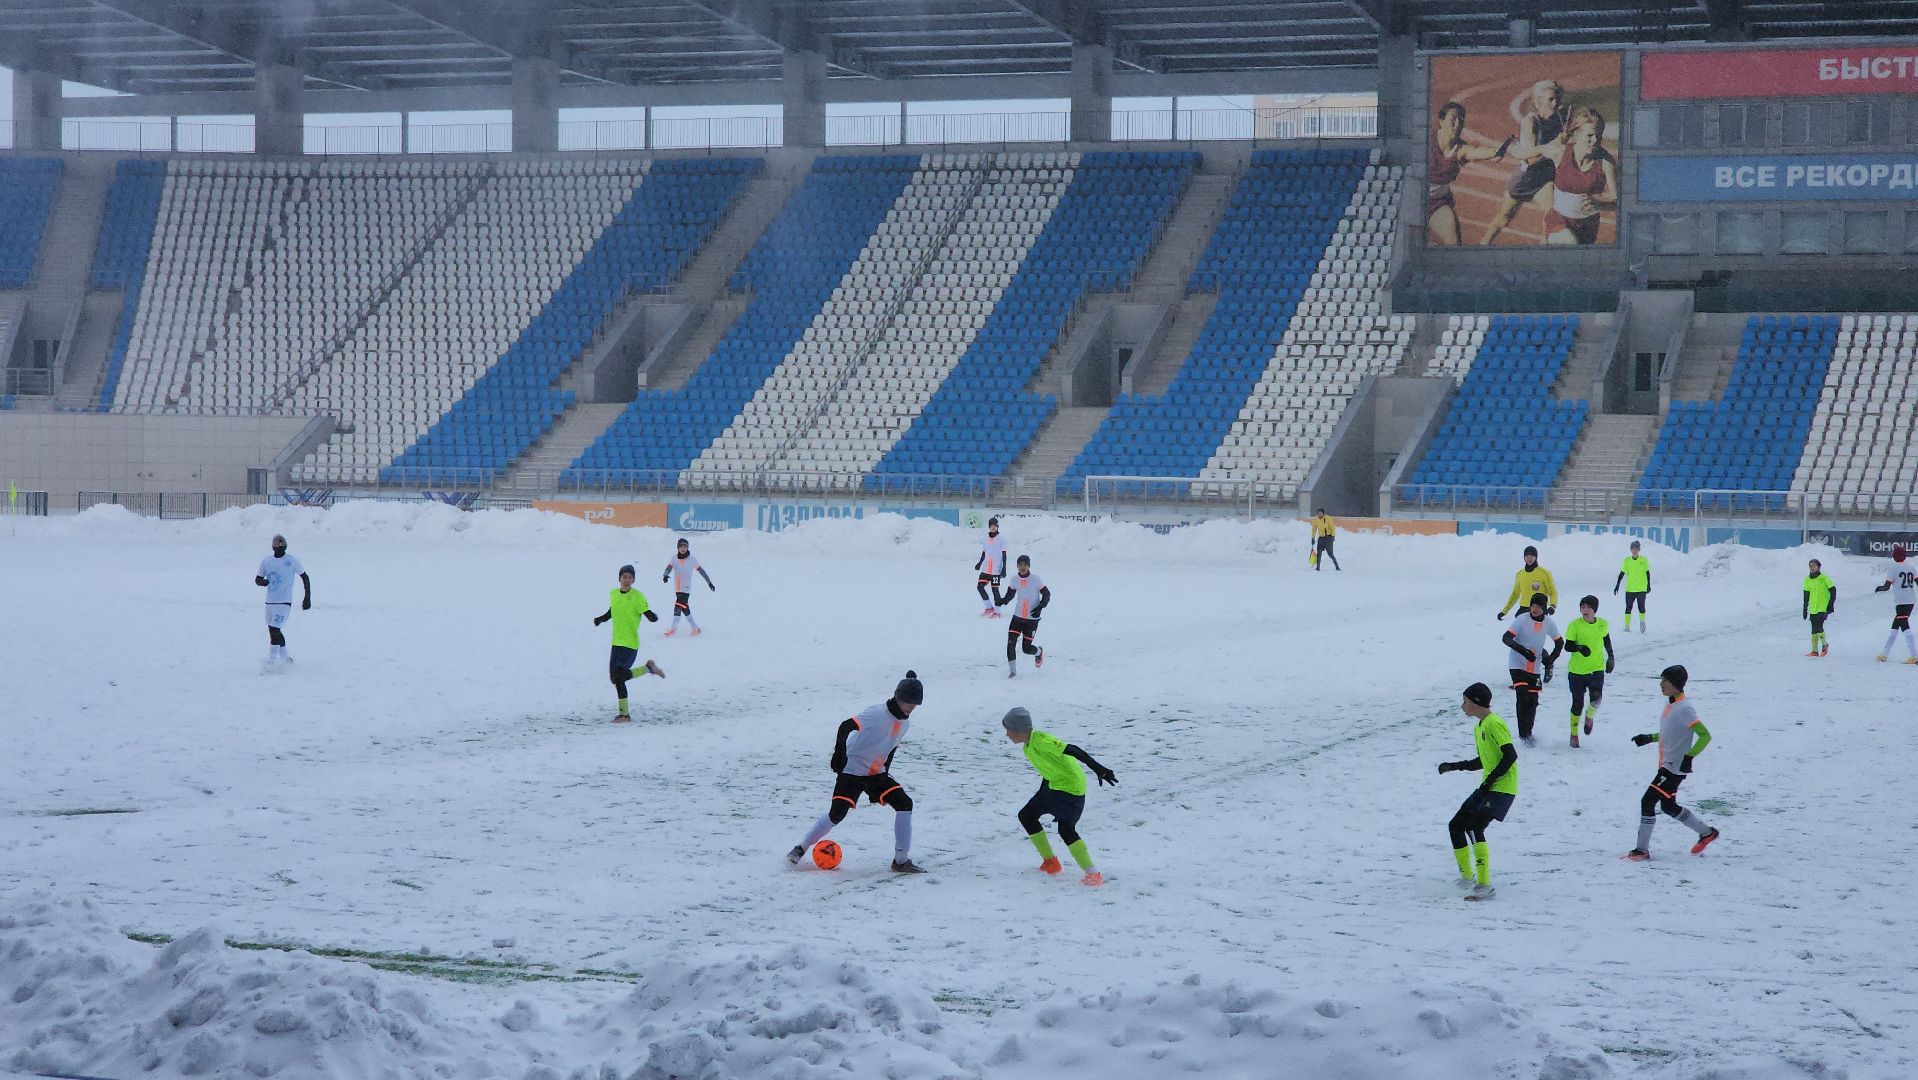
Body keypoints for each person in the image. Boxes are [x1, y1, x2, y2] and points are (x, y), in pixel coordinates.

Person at [788, 671, 926, 874]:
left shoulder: (905, 723)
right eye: (908, 703)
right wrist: (839, 754)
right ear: (897, 697)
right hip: (851, 771)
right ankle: (800, 848)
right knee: (836, 815)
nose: (911, 707)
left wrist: (885, 773)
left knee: (905, 804)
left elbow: (891, 748)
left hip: (876, 774)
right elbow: (845, 726)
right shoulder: (876, 714)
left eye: (915, 704)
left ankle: (900, 861)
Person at [1000, 707, 1117, 887]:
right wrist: (1041, 794)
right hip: (1054, 785)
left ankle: (1093, 875)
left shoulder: (1042, 741)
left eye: (1008, 729)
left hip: (1070, 788)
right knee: (1027, 815)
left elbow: (1073, 750)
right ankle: (1051, 863)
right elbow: (1049, 769)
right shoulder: (1027, 747)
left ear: (1019, 729)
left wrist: (1099, 769)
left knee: (1066, 829)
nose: (1007, 734)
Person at [1623, 665, 1720, 861]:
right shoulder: (1672, 705)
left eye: (1665, 681)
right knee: (1668, 806)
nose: (1661, 684)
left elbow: (1705, 736)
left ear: (1675, 683)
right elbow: (1672, 733)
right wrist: (1649, 737)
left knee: (1648, 801)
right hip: (1668, 764)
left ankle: (1641, 850)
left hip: (1674, 768)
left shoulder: (1685, 708)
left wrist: (1689, 757)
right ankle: (1707, 833)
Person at [1437, 682, 1517, 901]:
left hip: (1502, 788)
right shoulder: (1480, 727)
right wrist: (1455, 766)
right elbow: (1483, 760)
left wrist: (1491, 780)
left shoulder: (1494, 723)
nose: (1462, 706)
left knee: (1475, 826)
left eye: (1465, 701)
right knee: (1456, 825)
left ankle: (1484, 885)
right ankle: (1466, 877)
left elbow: (1510, 755)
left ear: (1476, 703)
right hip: (1488, 787)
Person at [1481, 79, 1570, 246]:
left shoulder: (1560, 116)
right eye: (1551, 99)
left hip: (1546, 176)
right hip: (1527, 177)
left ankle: (1544, 249)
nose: (1555, 103)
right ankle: (1484, 245)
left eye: (1557, 99)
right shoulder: (1531, 122)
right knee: (1504, 219)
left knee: (1552, 214)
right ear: (1538, 102)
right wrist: (1556, 143)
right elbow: (1530, 159)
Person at [1427, 100, 1509, 246]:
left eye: (1461, 120)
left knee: (1454, 243)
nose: (1457, 124)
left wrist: (1494, 152)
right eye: (1453, 119)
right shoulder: (1426, 141)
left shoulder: (1460, 149)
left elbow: (1475, 152)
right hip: (1412, 200)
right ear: (1441, 121)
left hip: (1436, 203)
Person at [592, 564, 664, 722]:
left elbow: (646, 612)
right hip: (616, 642)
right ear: (619, 578)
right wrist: (601, 619)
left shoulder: (638, 596)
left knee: (618, 678)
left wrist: (652, 616)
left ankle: (624, 715)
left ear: (633, 580)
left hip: (630, 644)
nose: (627, 580)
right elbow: (612, 611)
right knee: (615, 678)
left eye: (630, 577)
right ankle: (648, 668)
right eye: (624, 577)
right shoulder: (613, 594)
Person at [1542, 108, 1617, 246]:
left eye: (1599, 135)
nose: (1595, 140)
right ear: (1577, 134)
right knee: (1570, 242)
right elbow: (1532, 154)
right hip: (1559, 221)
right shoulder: (1560, 152)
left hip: (1588, 227)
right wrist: (1514, 150)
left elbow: (1619, 202)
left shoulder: (1606, 162)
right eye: (1590, 135)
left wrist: (1600, 203)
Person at [1501, 592, 1562, 746]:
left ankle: (1529, 734)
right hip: (1517, 664)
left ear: (1544, 608)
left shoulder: (1549, 622)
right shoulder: (1522, 619)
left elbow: (1559, 642)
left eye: (1538, 606)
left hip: (1534, 667)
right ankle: (1523, 735)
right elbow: (1506, 638)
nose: (1534, 609)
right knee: (1522, 696)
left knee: (1533, 701)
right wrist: (1523, 652)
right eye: (1532, 605)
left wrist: (1550, 660)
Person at [1562, 594, 1615, 748]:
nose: (1585, 610)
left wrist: (1611, 657)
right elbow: (1567, 646)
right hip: (1577, 671)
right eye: (1582, 607)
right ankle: (1574, 734)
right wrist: (1579, 648)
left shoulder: (1602, 624)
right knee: (1577, 704)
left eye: (1589, 608)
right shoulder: (1574, 625)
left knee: (1596, 699)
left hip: (1596, 669)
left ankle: (1589, 716)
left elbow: (1606, 640)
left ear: (1595, 610)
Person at [254, 534, 311, 669]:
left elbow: (305, 577)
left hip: (284, 602)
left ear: (285, 546)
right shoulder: (266, 561)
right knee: (274, 631)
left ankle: (271, 662)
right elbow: (257, 579)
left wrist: (307, 597)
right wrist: (263, 582)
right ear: (273, 547)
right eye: (277, 545)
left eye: (282, 544)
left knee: (275, 629)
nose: (279, 546)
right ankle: (286, 659)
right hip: (270, 602)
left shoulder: (292, 561)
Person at [997, 555, 1050, 678]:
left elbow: (1047, 594)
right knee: (1011, 643)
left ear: (1029, 565)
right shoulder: (1014, 579)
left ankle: (1038, 652)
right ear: (1017, 566)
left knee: (1026, 649)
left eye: (1025, 564)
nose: (1023, 567)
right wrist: (1003, 601)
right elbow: (1010, 594)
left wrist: (1040, 607)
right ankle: (1013, 672)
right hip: (1017, 617)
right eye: (1020, 564)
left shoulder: (1036, 579)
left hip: (1032, 619)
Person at [1872, 544, 1918, 664]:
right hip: (1911, 601)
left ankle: (1915, 656)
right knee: (1895, 627)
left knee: (1904, 626)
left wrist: (1879, 588)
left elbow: (1886, 587)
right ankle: (1884, 654)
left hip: (1901, 601)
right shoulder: (1911, 567)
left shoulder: (1893, 568)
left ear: (1894, 556)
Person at [660, 537, 715, 636]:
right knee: (685, 609)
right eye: (681, 546)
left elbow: (701, 571)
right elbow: (669, 567)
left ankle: (673, 630)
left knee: (678, 607)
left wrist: (709, 582)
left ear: (687, 548)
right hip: (677, 588)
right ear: (678, 547)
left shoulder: (692, 559)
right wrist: (665, 575)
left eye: (685, 546)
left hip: (686, 588)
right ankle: (696, 629)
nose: (683, 548)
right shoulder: (674, 558)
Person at [1498, 545, 1558, 620]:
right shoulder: (1520, 574)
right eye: (1527, 556)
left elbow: (1552, 592)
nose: (1529, 558)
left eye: (1531, 556)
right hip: (1523, 609)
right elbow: (1515, 594)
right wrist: (1504, 611)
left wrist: (1552, 606)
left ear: (1536, 557)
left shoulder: (1544, 573)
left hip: (1539, 609)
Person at [1614, 539, 1650, 633]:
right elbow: (1622, 573)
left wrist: (1648, 585)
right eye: (1633, 548)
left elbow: (1647, 573)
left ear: (1639, 550)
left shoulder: (1644, 560)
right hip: (1630, 588)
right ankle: (1627, 627)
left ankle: (1642, 623)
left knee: (1641, 607)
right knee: (1628, 608)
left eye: (1636, 549)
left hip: (1641, 588)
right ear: (1630, 550)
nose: (1634, 550)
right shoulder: (1627, 561)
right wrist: (1617, 585)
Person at [975, 516, 1008, 617]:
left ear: (997, 526)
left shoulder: (1001, 539)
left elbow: (1004, 555)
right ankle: (989, 607)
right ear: (989, 527)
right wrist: (979, 563)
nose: (993, 527)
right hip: (986, 569)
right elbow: (984, 552)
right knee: (980, 587)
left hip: (996, 570)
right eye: (991, 525)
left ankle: (997, 611)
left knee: (995, 590)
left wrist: (1004, 568)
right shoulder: (985, 538)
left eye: (995, 525)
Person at [1804, 558, 1837, 658]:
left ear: (1818, 567)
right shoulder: (1807, 580)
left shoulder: (1824, 578)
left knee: (1819, 626)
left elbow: (1833, 590)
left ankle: (1824, 644)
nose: (1812, 567)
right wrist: (1805, 608)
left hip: (1823, 607)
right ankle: (1814, 651)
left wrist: (1830, 605)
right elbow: (1806, 595)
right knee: (1814, 629)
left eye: (1814, 565)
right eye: (1810, 565)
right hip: (1813, 608)